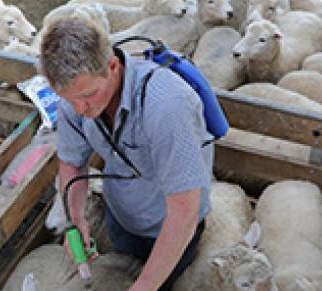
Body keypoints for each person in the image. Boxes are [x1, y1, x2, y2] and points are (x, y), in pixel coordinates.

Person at [39, 16, 213, 291]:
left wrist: (144, 286)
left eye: (88, 95)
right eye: (69, 98)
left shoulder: (166, 107)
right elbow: (72, 162)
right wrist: (77, 217)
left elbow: (184, 211)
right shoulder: (74, 101)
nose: (80, 108)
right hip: (122, 216)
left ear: (112, 66)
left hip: (169, 228)